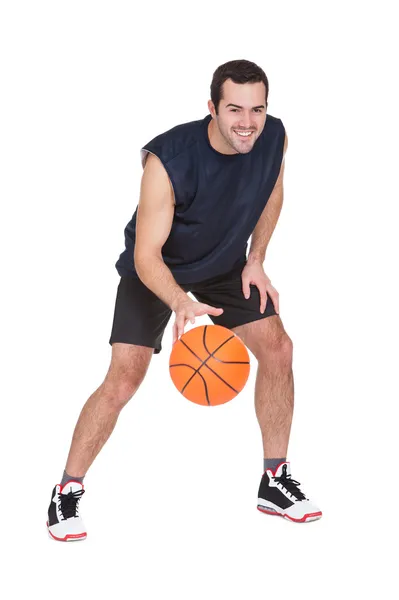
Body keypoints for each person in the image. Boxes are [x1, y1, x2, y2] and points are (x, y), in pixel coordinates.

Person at [46, 59, 322, 542]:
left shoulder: (273, 137)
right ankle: (66, 490)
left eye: (256, 109)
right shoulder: (168, 159)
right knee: (124, 379)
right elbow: (146, 254)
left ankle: (274, 480)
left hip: (221, 265)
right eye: (234, 108)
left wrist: (256, 258)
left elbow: (273, 191)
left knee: (279, 349)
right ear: (211, 108)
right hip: (155, 272)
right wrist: (179, 302)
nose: (246, 122)